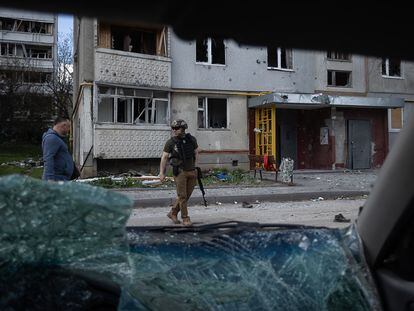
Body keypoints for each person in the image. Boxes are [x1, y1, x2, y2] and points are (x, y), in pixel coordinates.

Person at [159, 119, 199, 226]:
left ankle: (173, 212)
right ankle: (185, 218)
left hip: (191, 171)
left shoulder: (191, 139)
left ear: (183, 129)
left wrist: (195, 167)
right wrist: (162, 173)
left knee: (186, 195)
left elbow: (196, 152)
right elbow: (164, 158)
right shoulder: (171, 142)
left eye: (176, 128)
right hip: (180, 172)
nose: (174, 130)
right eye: (173, 128)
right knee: (182, 196)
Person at [42, 117, 74, 181]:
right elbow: (48, 158)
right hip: (56, 179)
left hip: (60, 178)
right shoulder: (52, 138)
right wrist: (50, 179)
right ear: (63, 126)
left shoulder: (57, 138)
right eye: (69, 126)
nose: (69, 129)